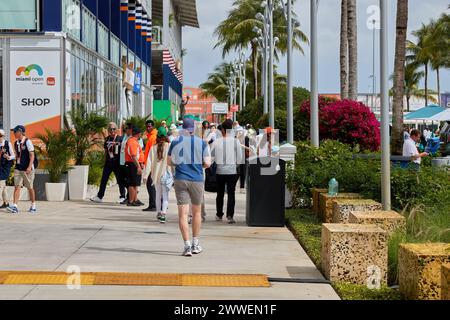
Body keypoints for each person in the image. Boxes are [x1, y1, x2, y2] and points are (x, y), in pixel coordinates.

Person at [168, 118, 211, 256]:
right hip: (197, 179)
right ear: (194, 129)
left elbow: (169, 161)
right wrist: (199, 166)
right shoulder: (202, 143)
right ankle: (195, 243)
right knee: (197, 212)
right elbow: (208, 163)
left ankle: (186, 246)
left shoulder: (175, 142)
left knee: (183, 213)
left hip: (181, 179)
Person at [211, 119, 243, 224]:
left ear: (223, 130)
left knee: (220, 193)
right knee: (231, 193)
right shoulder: (236, 141)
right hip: (232, 171)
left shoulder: (216, 141)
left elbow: (211, 157)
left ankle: (219, 214)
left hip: (220, 171)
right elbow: (240, 158)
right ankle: (230, 216)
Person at [91, 122, 126, 203]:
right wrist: (104, 161)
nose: (112, 131)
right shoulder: (107, 139)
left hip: (117, 163)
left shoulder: (120, 138)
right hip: (108, 162)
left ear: (116, 130)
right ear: (108, 130)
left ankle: (123, 196)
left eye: (114, 129)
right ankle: (100, 197)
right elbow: (106, 151)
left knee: (120, 180)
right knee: (103, 180)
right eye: (110, 129)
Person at [144, 127, 172, 223]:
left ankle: (159, 213)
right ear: (166, 136)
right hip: (166, 174)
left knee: (158, 195)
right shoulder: (169, 146)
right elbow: (174, 160)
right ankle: (164, 214)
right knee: (165, 196)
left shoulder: (153, 148)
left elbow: (148, 162)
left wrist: (145, 175)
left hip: (156, 176)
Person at [7, 125, 37, 214]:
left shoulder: (28, 142)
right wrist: (9, 157)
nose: (14, 133)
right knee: (17, 187)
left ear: (20, 132)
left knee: (30, 187)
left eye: (15, 132)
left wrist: (29, 167)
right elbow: (17, 155)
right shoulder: (16, 143)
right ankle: (15, 206)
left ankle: (33, 205)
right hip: (18, 168)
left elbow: (32, 155)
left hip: (27, 169)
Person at [125, 127, 145, 206]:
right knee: (132, 183)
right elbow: (133, 156)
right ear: (138, 134)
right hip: (132, 164)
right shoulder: (132, 142)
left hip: (135, 164)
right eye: (140, 133)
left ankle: (135, 199)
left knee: (135, 183)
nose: (141, 135)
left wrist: (141, 163)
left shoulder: (134, 141)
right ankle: (131, 200)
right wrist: (138, 166)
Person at [142, 120, 158, 211]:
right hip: (150, 163)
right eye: (147, 126)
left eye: (150, 126)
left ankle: (153, 205)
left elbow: (153, 153)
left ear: (153, 127)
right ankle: (153, 204)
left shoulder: (153, 137)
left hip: (151, 164)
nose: (148, 128)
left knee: (150, 184)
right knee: (151, 184)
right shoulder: (151, 136)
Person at [0, 129, 15, 208]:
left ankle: (6, 203)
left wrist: (8, 157)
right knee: (3, 185)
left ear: (3, 136)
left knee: (0, 184)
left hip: (5, 167)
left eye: (0, 136)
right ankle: (6, 203)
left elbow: (13, 155)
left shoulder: (7, 143)